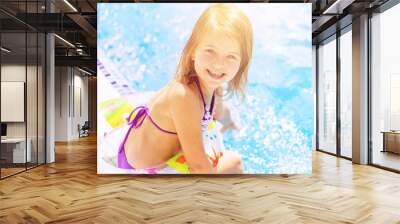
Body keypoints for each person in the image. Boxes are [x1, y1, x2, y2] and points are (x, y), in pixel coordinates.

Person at [118, 3, 253, 174]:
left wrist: (231, 124)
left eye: (230, 56)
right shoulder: (184, 97)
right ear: (193, 51)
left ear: (242, 63)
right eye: (210, 51)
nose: (218, 64)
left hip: (154, 154)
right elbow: (198, 168)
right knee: (234, 163)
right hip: (141, 168)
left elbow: (218, 107)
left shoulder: (210, 81)